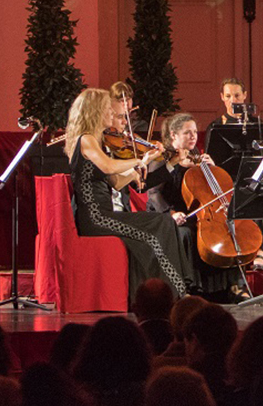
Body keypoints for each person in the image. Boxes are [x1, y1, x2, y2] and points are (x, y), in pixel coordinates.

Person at [64, 86, 194, 298]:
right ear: (95, 112)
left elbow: (115, 182)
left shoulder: (97, 142)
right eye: (108, 109)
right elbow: (108, 166)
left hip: (104, 216)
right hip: (96, 218)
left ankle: (175, 288)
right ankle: (171, 292)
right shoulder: (86, 139)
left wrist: (140, 168)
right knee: (159, 225)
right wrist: (137, 161)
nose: (112, 114)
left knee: (162, 224)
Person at [148, 110, 250, 300]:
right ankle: (189, 287)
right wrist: (171, 213)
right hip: (169, 214)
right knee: (186, 233)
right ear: (173, 135)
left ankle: (233, 286)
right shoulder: (163, 160)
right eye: (187, 132)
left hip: (197, 214)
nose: (193, 136)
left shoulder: (198, 158)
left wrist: (213, 169)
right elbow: (154, 194)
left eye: (195, 132)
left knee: (228, 229)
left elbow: (213, 193)